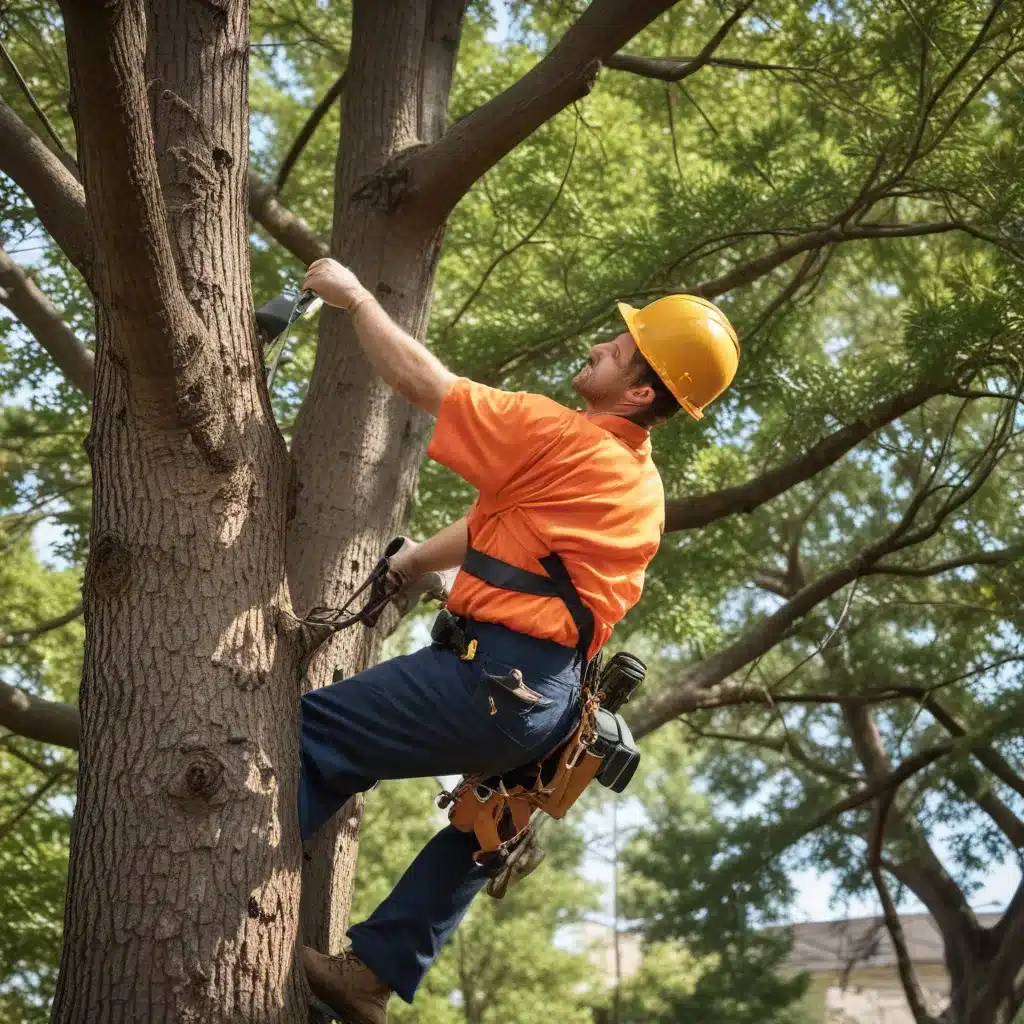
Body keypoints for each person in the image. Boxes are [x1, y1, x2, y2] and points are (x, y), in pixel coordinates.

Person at [296, 257, 740, 1023]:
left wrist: (356, 297)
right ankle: (371, 973)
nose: (603, 344)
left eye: (620, 347)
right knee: (478, 820)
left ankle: (200, 891)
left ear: (639, 392)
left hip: (490, 679)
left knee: (307, 733)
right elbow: (495, 531)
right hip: (543, 699)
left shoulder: (568, 440)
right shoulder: (634, 480)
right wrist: (410, 564)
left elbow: (424, 384)